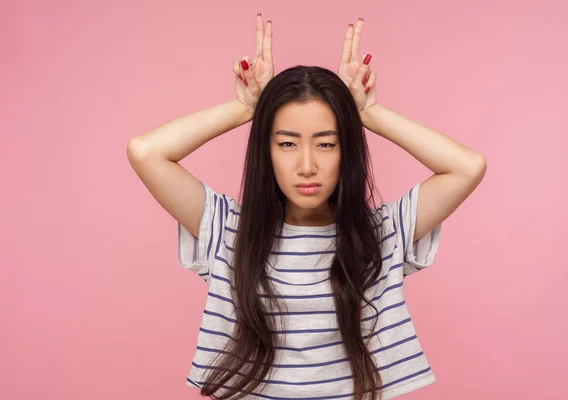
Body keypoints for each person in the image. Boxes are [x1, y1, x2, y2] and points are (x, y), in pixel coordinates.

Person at [127, 14, 486, 400]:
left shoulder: (382, 234)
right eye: (287, 143)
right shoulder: (228, 230)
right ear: (265, 151)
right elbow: (146, 152)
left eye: (326, 143)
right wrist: (244, 108)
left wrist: (367, 114)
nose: (307, 165)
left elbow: (467, 167)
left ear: (346, 150)